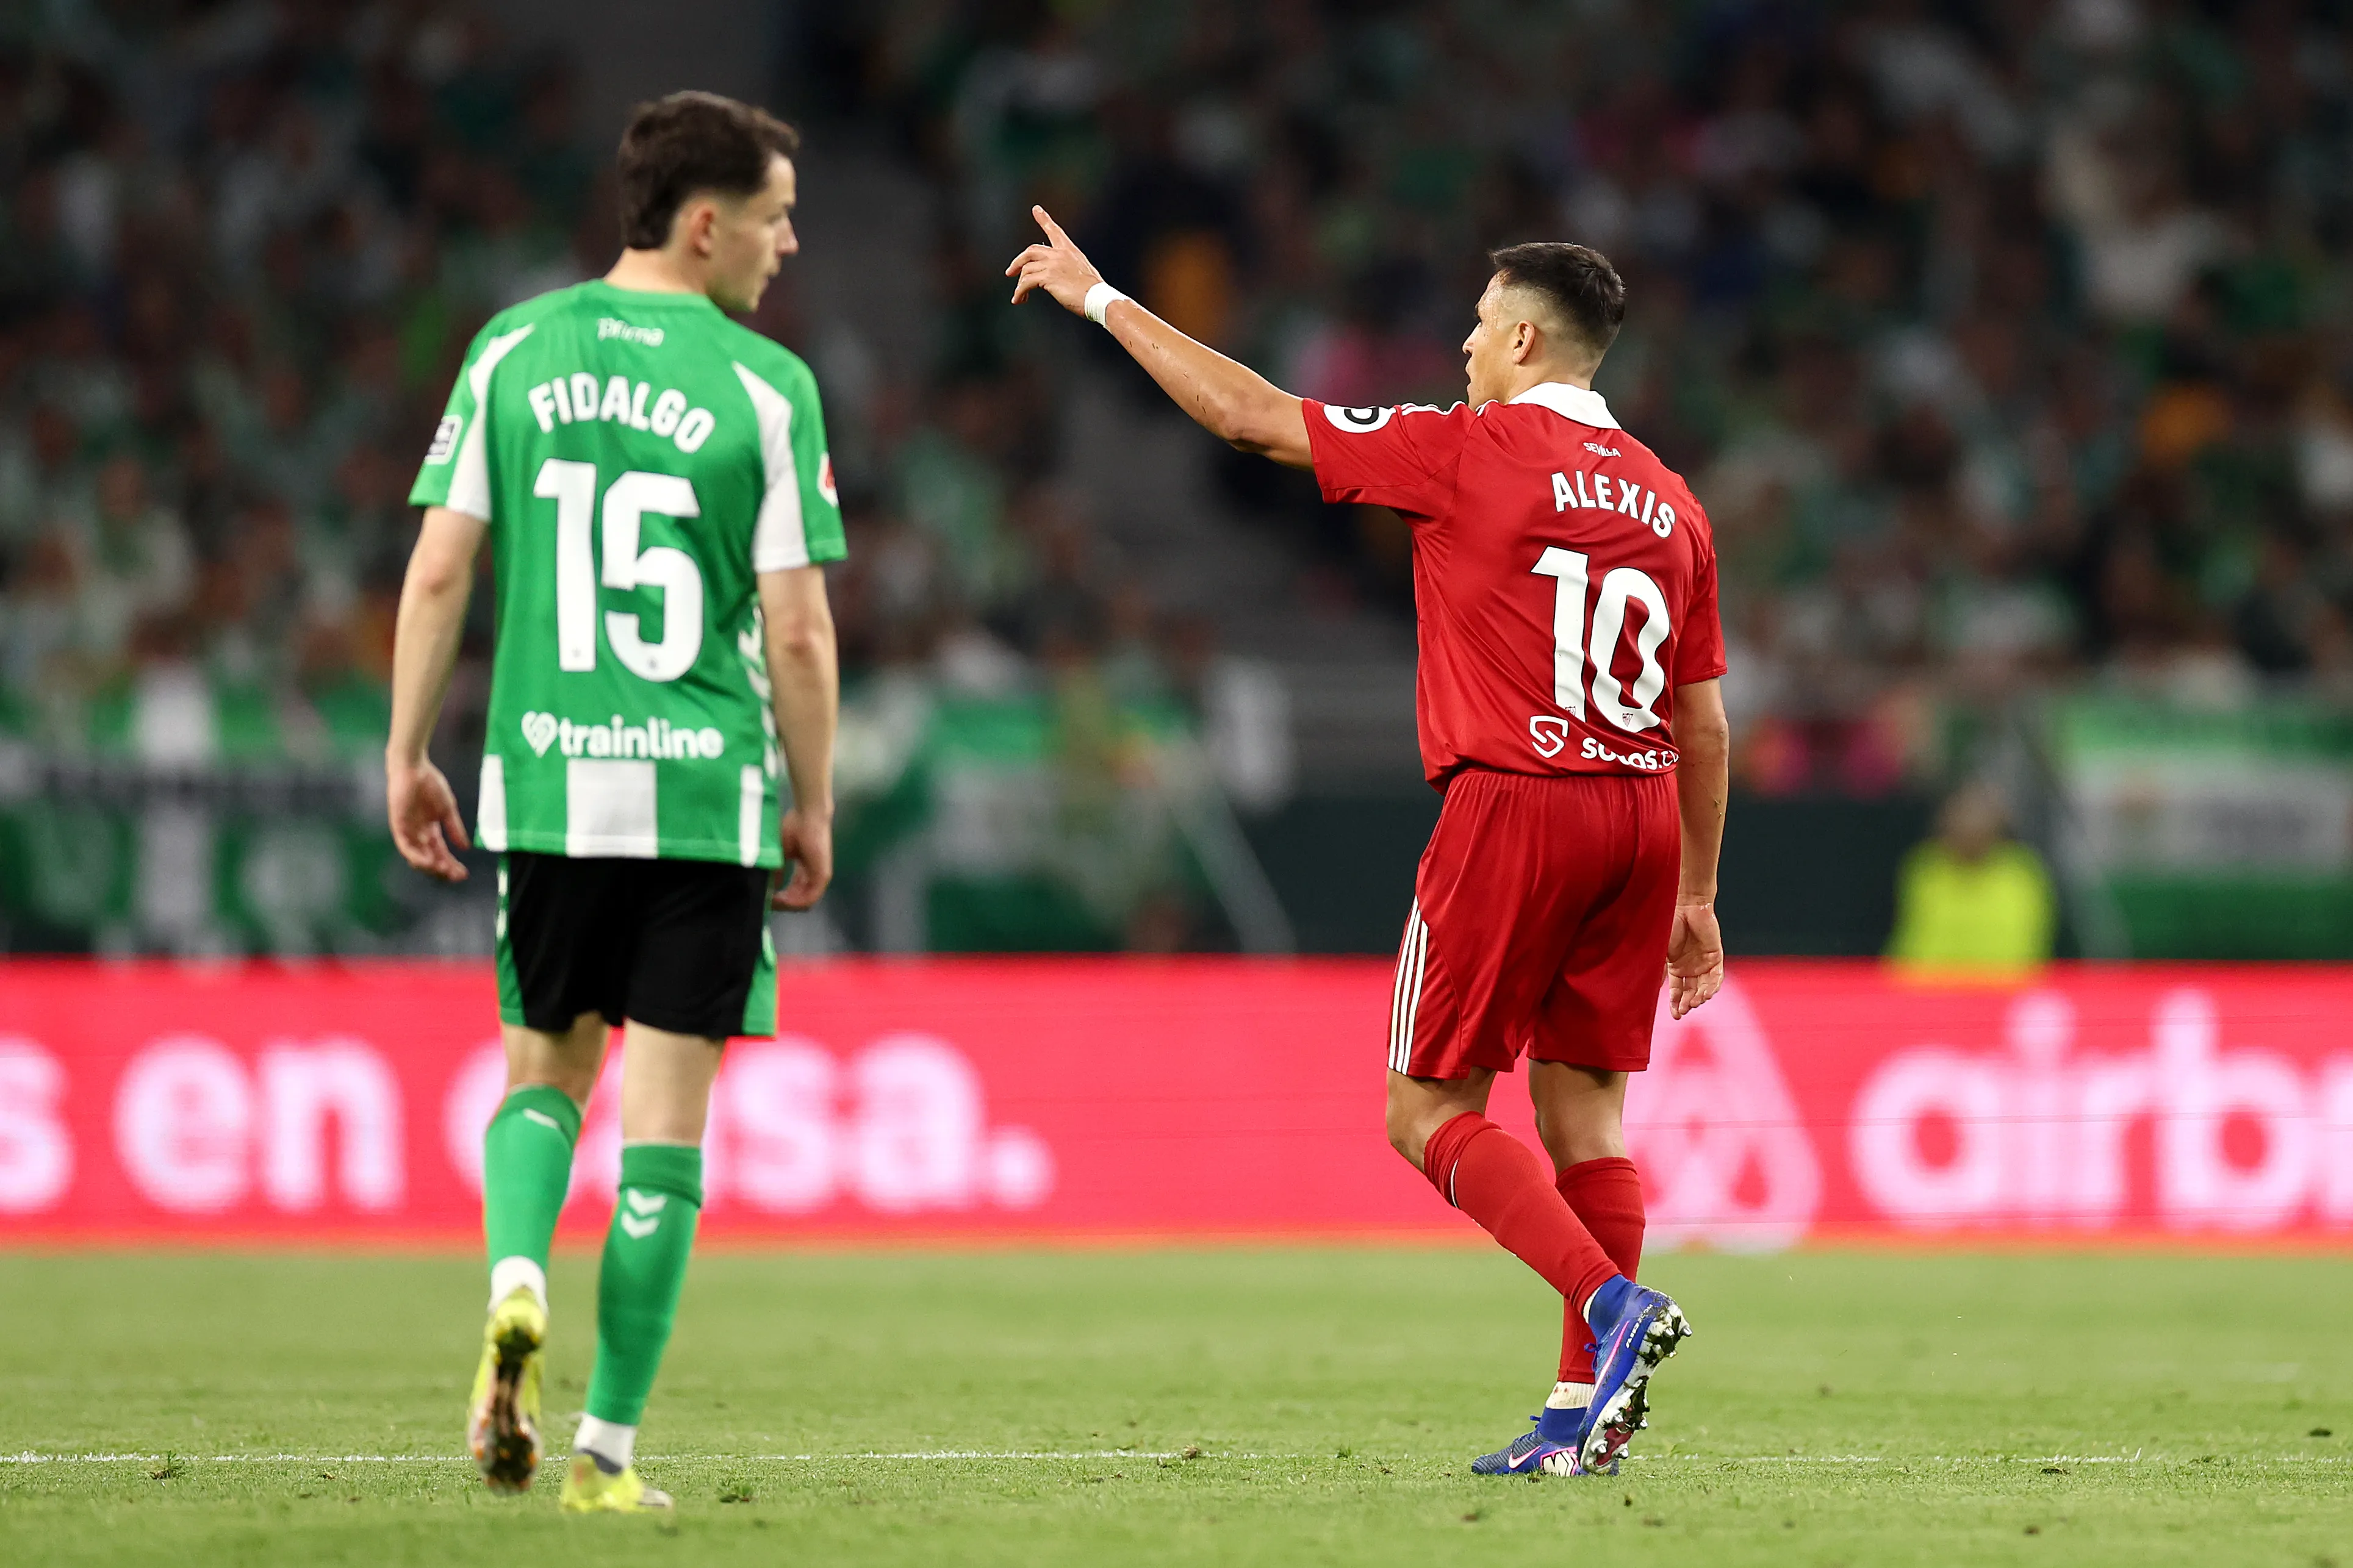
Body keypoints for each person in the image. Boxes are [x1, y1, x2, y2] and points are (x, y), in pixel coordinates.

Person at [1010, 213, 1730, 1477]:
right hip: (1641, 817)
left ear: (1519, 337)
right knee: (1585, 1115)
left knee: (1424, 1108)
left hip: (1517, 799)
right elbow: (1703, 717)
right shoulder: (1672, 504)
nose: (1458, 343)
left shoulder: (1464, 450)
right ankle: (1580, 1419)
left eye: (1473, 322)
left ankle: (1610, 1310)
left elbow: (1247, 417)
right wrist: (1699, 896)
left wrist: (1100, 301)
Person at [386, 91, 844, 1513]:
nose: (787, 242)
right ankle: (604, 1457)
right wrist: (812, 803)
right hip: (705, 801)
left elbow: (442, 569)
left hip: (549, 786)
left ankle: (516, 1276)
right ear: (703, 223)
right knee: (663, 1138)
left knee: (541, 1077)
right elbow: (802, 631)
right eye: (772, 215)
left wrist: (407, 748)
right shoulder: (768, 387)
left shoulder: (511, 348)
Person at [1886, 781, 2056, 976]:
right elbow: (1916, 948)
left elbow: (2025, 950)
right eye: (1960, 817)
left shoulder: (2023, 874)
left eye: (1978, 818)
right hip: (1932, 993)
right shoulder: (1924, 869)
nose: (1969, 826)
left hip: (2005, 993)